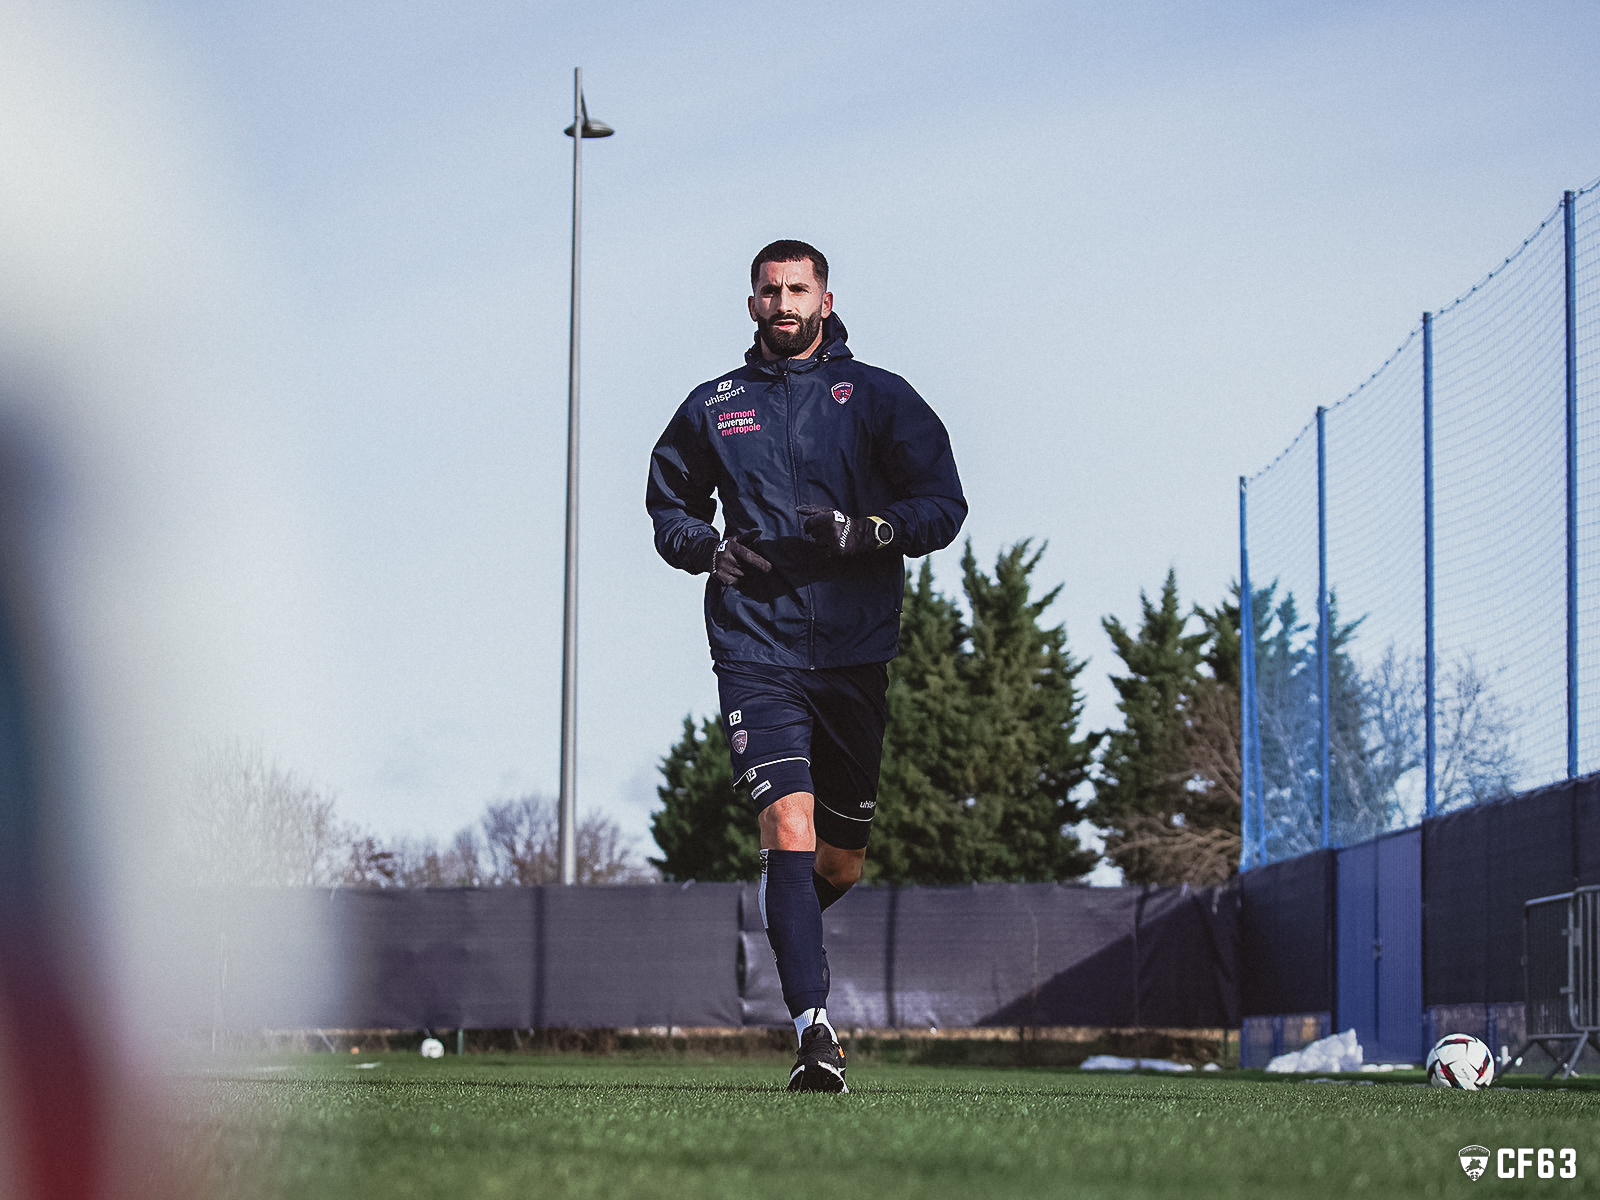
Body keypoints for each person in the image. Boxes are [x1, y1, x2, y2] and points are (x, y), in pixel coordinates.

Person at [646, 240, 966, 1092]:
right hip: (755, 647)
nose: (782, 302)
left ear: (825, 299)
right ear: (751, 303)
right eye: (768, 290)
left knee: (838, 863)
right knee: (786, 827)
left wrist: (869, 533)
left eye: (797, 289)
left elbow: (943, 505)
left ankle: (787, 923)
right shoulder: (716, 405)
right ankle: (813, 1034)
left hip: (856, 651)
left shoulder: (878, 397)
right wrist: (708, 551)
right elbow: (669, 504)